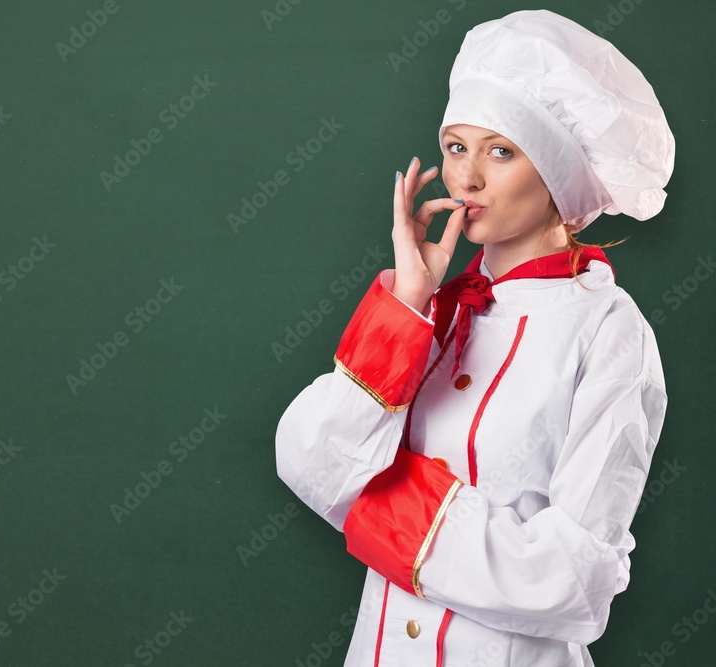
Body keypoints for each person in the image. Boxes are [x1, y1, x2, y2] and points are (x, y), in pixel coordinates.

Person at [275, 9, 674, 666]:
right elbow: (304, 452)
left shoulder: (610, 330)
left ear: (557, 172)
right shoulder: (434, 307)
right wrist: (406, 303)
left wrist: (370, 497)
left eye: (501, 150)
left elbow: (575, 581)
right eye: (456, 147)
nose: (467, 178)